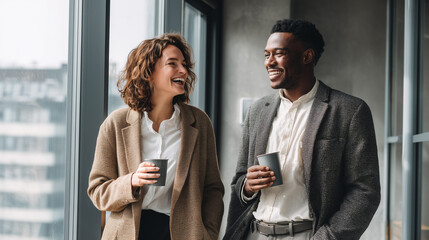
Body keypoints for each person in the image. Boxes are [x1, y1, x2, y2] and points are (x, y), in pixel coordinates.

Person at [224, 19, 380, 240]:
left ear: (307, 56)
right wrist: (247, 186)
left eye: (278, 53)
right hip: (254, 233)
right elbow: (239, 179)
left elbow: (365, 192)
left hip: (308, 235)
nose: (269, 62)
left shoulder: (350, 111)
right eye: (266, 55)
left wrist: (327, 237)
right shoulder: (258, 111)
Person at [87, 33, 224, 240]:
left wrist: (208, 234)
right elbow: (98, 191)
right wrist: (132, 180)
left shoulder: (198, 122)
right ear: (148, 72)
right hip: (128, 233)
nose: (183, 71)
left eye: (185, 65)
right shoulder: (116, 123)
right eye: (173, 63)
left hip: (180, 233)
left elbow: (212, 189)